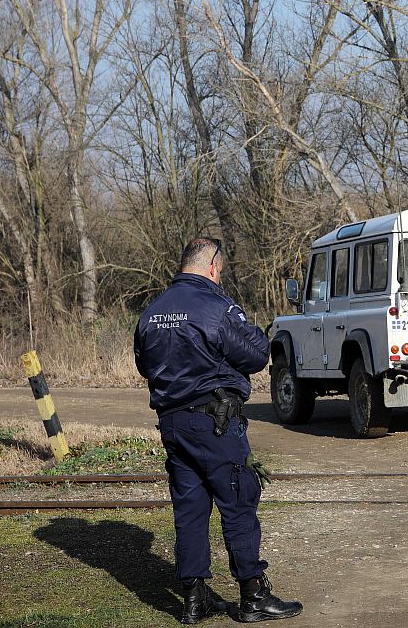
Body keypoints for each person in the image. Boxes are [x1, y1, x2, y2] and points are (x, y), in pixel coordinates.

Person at [134, 237, 303, 624]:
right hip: (215, 422)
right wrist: (261, 333)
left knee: (190, 509)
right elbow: (257, 354)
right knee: (238, 501)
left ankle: (194, 599)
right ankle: (253, 595)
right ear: (212, 266)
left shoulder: (152, 312)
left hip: (173, 424)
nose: (220, 277)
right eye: (221, 271)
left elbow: (145, 364)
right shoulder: (216, 306)